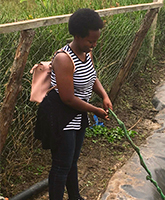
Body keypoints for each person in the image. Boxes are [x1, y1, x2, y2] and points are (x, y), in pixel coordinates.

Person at [40, 8, 112, 200]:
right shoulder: (64, 59)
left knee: (72, 161)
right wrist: (95, 110)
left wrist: (104, 95)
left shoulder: (86, 53)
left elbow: (92, 77)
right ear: (78, 36)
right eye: (91, 41)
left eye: (96, 40)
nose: (94, 45)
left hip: (78, 114)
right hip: (62, 116)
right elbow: (68, 98)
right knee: (61, 164)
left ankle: (75, 197)